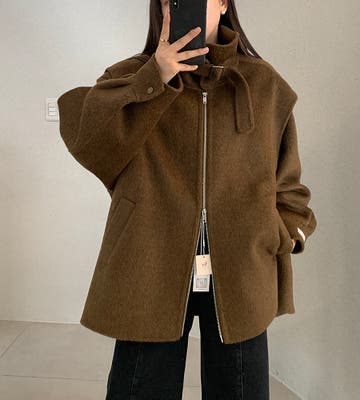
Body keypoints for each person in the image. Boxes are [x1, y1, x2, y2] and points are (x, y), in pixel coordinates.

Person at [57, 0, 317, 399]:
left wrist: (284, 233)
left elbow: (289, 184)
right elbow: (88, 142)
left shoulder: (264, 84)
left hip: (242, 266)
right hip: (150, 261)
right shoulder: (131, 77)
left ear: (223, 3)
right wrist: (153, 78)